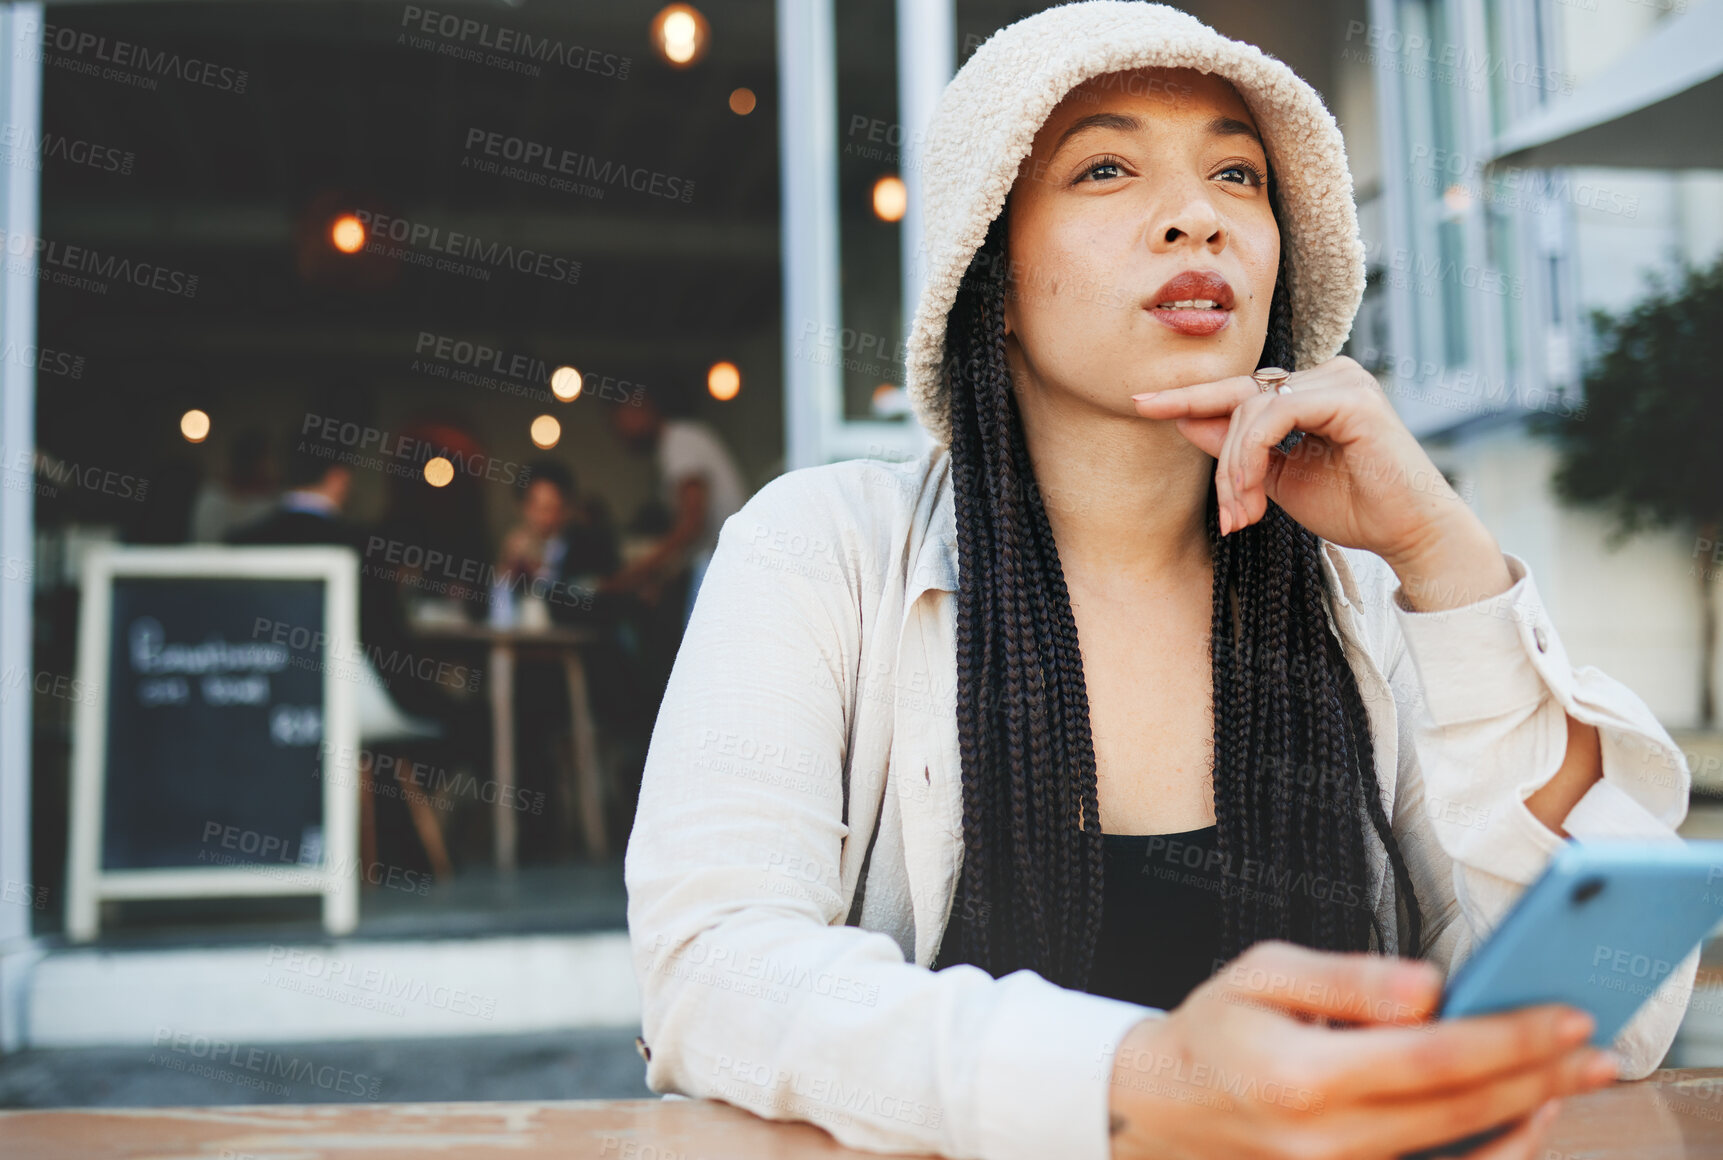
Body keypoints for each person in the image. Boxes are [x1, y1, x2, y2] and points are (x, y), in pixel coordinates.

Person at [624, 6, 1696, 1160]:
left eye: (1237, 171)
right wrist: (1134, 1083)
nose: (1198, 214)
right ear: (989, 260)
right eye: (1104, 166)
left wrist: (1446, 556)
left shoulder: (1370, 588)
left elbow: (1614, 1022)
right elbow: (716, 975)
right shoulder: (821, 550)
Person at [599, 385, 746, 632]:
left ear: (641, 409)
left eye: (620, 420)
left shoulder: (679, 442)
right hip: (719, 565)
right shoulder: (681, 441)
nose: (619, 432)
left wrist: (637, 573)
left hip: (724, 568)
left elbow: (692, 523)